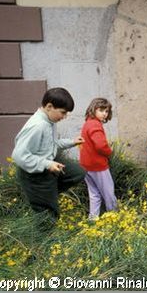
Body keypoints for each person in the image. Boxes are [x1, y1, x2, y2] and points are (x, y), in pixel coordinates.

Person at [11, 88, 86, 226]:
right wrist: (47, 164)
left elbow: (51, 144)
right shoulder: (37, 126)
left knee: (78, 173)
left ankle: (46, 196)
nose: (64, 117)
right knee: (49, 215)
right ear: (49, 106)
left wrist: (72, 142)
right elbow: (19, 156)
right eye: (63, 112)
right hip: (34, 175)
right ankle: (45, 240)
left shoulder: (49, 122)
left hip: (47, 165)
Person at [80, 98, 117, 221]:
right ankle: (115, 218)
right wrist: (109, 152)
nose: (104, 114)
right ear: (93, 109)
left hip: (86, 166)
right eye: (101, 110)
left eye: (106, 111)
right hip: (98, 166)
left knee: (94, 194)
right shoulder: (95, 125)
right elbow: (100, 145)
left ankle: (93, 219)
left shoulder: (87, 123)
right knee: (109, 194)